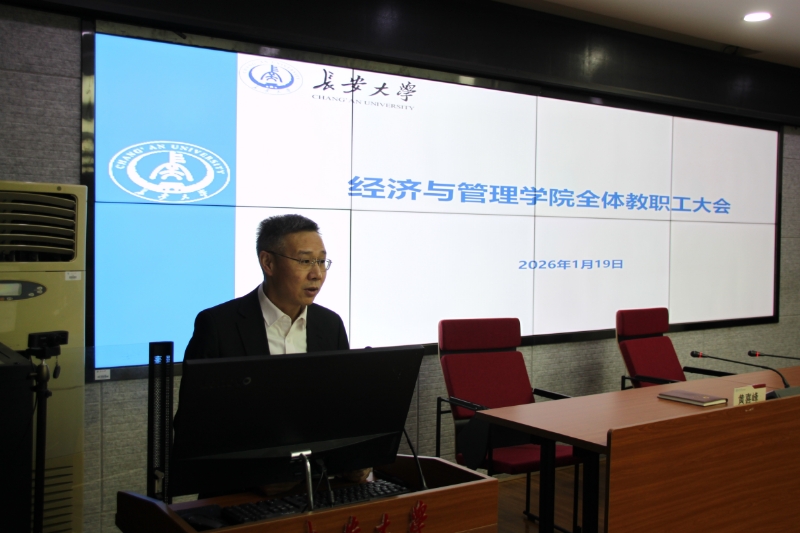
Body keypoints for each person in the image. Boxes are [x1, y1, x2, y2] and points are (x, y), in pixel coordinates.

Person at [183, 214, 348, 361]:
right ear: (268, 263)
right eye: (305, 261)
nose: (317, 274)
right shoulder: (218, 326)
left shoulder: (331, 326)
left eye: (321, 261)